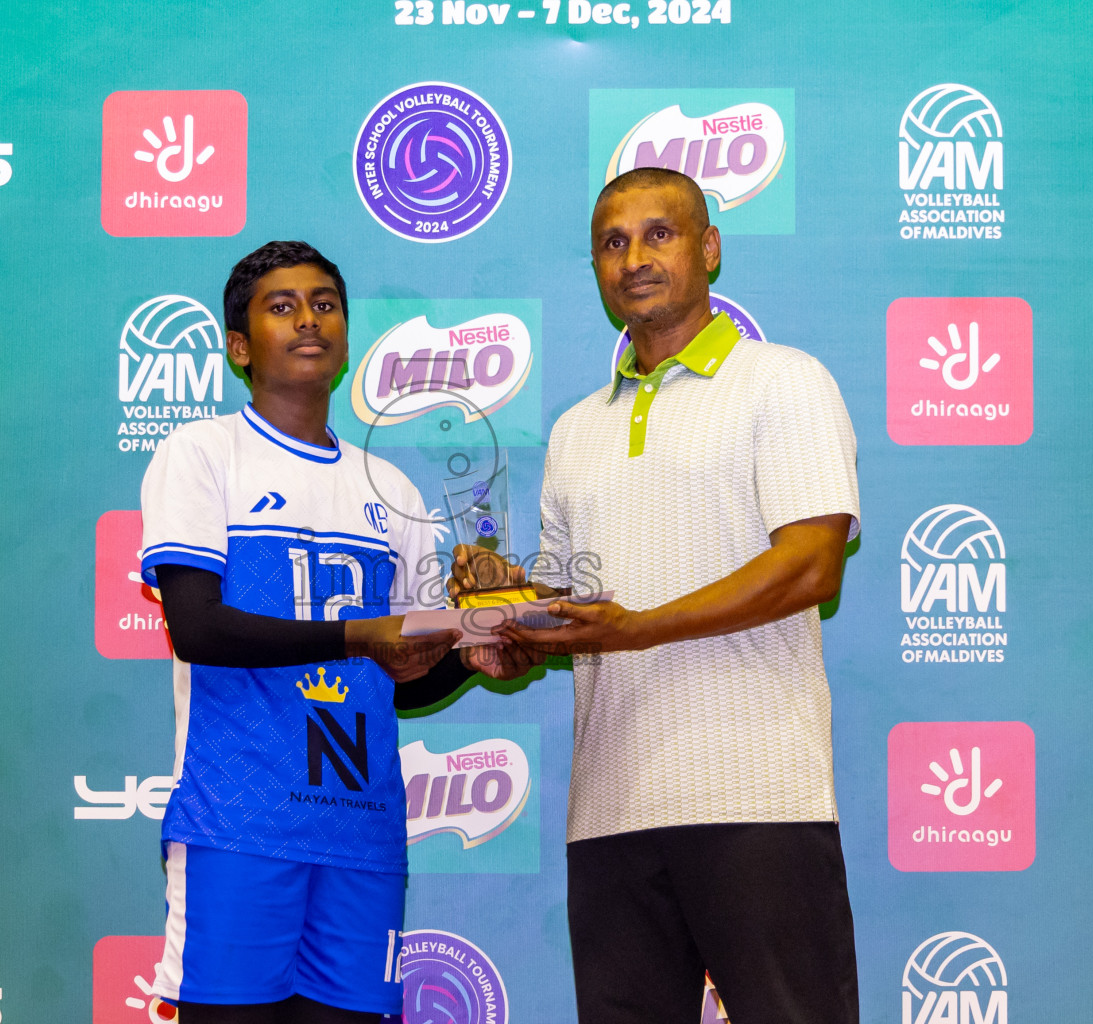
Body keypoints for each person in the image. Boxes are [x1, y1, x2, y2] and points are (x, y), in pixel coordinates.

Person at [452, 167, 862, 1023]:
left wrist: (637, 629)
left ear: (709, 248)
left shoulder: (782, 380)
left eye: (660, 234)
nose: (634, 257)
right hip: (609, 812)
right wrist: (505, 614)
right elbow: (573, 608)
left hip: (759, 799)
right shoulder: (575, 428)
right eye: (613, 242)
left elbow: (811, 567)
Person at [139, 240, 538, 1024]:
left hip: (362, 831)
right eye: (280, 306)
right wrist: (359, 634)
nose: (308, 318)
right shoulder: (201, 455)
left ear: (348, 339)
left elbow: (406, 667)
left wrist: (481, 654)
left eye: (324, 303)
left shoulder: (391, 488)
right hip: (240, 825)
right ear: (240, 346)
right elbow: (197, 628)